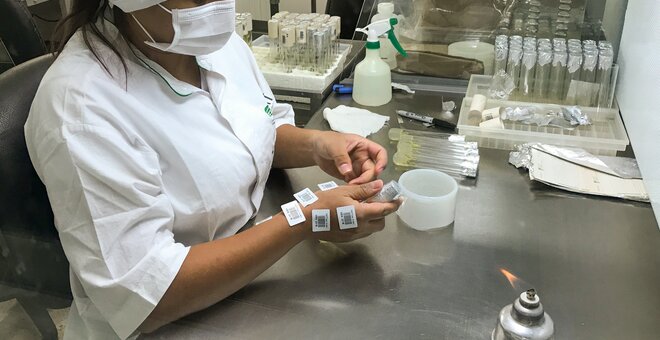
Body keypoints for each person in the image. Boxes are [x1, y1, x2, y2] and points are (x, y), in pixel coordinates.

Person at [24, 0, 401, 339]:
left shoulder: (211, 44)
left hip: (250, 281)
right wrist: (305, 220)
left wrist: (316, 145)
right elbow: (148, 294)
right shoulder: (82, 107)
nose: (218, 8)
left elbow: (255, 129)